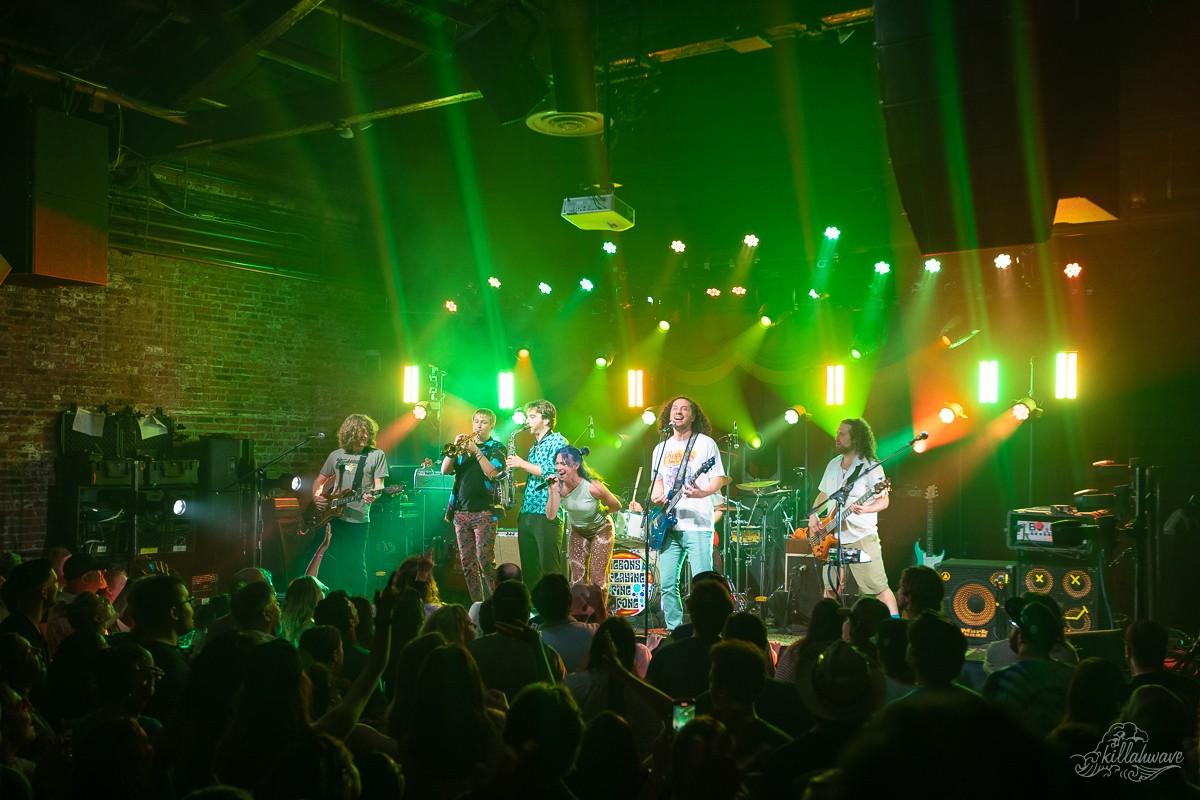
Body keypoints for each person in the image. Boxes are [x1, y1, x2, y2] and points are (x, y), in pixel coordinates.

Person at [649, 396, 728, 631]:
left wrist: (702, 493)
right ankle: (674, 629)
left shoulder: (705, 443)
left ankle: (705, 629)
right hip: (668, 526)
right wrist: (656, 495)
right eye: (675, 408)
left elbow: (718, 479)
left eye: (685, 409)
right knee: (667, 584)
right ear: (668, 415)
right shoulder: (660, 447)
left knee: (703, 585)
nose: (679, 411)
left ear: (693, 416)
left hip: (698, 524)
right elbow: (657, 481)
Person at [807, 418, 898, 615]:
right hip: (834, 539)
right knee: (830, 589)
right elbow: (823, 494)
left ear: (855, 438)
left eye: (842, 434)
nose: (837, 438)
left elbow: (884, 501)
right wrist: (814, 515)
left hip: (861, 538)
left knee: (878, 588)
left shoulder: (870, 466)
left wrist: (866, 509)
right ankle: (828, 627)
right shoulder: (833, 464)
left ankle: (895, 624)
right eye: (837, 433)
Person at [312, 414, 389, 597]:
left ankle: (359, 603)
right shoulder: (336, 455)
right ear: (349, 432)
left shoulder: (376, 455)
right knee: (327, 561)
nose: (365, 435)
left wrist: (373, 496)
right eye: (361, 431)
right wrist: (316, 497)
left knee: (355, 565)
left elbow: (379, 487)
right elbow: (319, 481)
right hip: (332, 517)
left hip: (358, 520)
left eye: (368, 431)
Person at [442, 408, 507, 603]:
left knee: (485, 561)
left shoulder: (497, 447)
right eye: (476, 421)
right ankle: (477, 604)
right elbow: (445, 470)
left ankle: (495, 603)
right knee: (467, 564)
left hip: (485, 511)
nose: (479, 426)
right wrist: (455, 448)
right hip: (460, 512)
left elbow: (494, 474)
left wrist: (476, 451)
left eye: (484, 422)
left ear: (491, 426)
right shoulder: (462, 449)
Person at [506, 399, 568, 589]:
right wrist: (517, 486)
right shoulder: (535, 446)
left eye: (532, 417)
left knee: (550, 571)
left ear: (546, 420)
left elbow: (555, 473)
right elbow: (538, 478)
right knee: (530, 572)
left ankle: (556, 606)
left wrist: (522, 464)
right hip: (527, 512)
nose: (527, 421)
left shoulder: (558, 441)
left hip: (546, 513)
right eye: (528, 417)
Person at [545, 445, 622, 590]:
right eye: (557, 463)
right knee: (577, 580)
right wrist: (552, 491)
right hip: (578, 531)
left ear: (576, 465)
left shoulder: (592, 487)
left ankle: (597, 605)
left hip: (601, 530)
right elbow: (551, 515)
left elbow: (616, 505)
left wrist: (604, 511)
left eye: (564, 464)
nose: (558, 468)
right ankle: (579, 606)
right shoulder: (558, 486)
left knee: (597, 579)